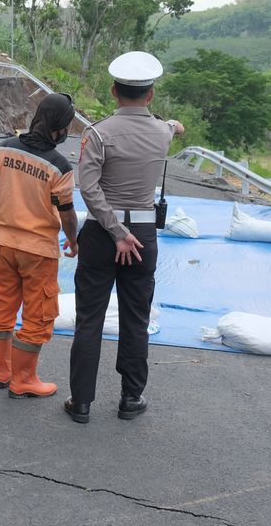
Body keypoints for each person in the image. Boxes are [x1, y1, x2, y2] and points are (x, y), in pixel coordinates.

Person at [65, 51, 184, 423]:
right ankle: (131, 398)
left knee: (90, 319)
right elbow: (173, 127)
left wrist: (117, 232)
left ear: (114, 91)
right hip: (144, 236)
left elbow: (89, 188)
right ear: (151, 95)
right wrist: (175, 124)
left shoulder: (98, 134)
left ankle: (81, 402)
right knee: (136, 318)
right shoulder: (162, 133)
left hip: (102, 234)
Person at [0, 93, 79, 399]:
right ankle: (23, 379)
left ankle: (3, 372)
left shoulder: (5, 149)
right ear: (60, 128)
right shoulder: (59, 166)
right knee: (38, 315)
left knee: (2, 307)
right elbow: (67, 213)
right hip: (38, 251)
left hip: (4, 243)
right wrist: (74, 241)